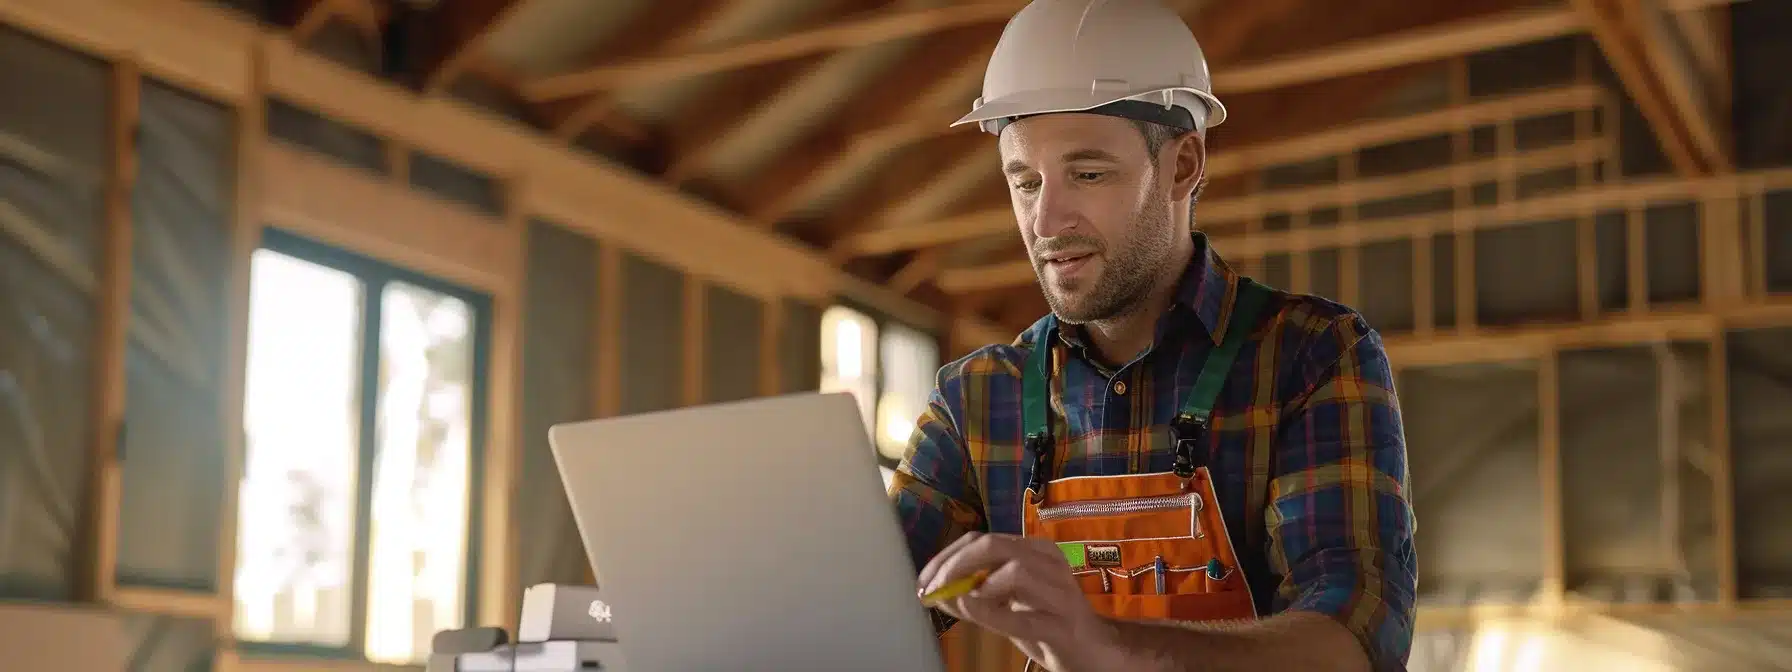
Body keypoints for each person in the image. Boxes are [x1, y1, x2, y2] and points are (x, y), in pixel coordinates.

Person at [886, 1, 1418, 670]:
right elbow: (864, 608)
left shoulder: (1311, 358)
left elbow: (1353, 642)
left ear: (1182, 166)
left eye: (1087, 174)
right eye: (1025, 182)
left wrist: (1108, 646)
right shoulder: (976, 400)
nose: (1045, 219)